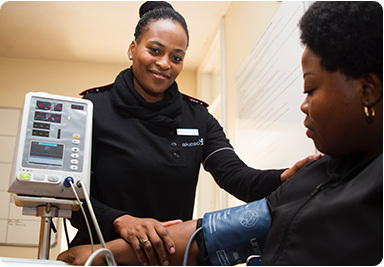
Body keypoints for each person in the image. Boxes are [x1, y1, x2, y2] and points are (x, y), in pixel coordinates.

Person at [58, 1, 383, 265]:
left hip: (166, 256)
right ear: (133, 48)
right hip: (97, 246)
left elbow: (235, 177)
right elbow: (71, 194)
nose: (164, 64)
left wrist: (283, 179)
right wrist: (120, 223)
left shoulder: (197, 118)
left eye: (176, 57)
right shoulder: (92, 109)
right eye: (154, 50)